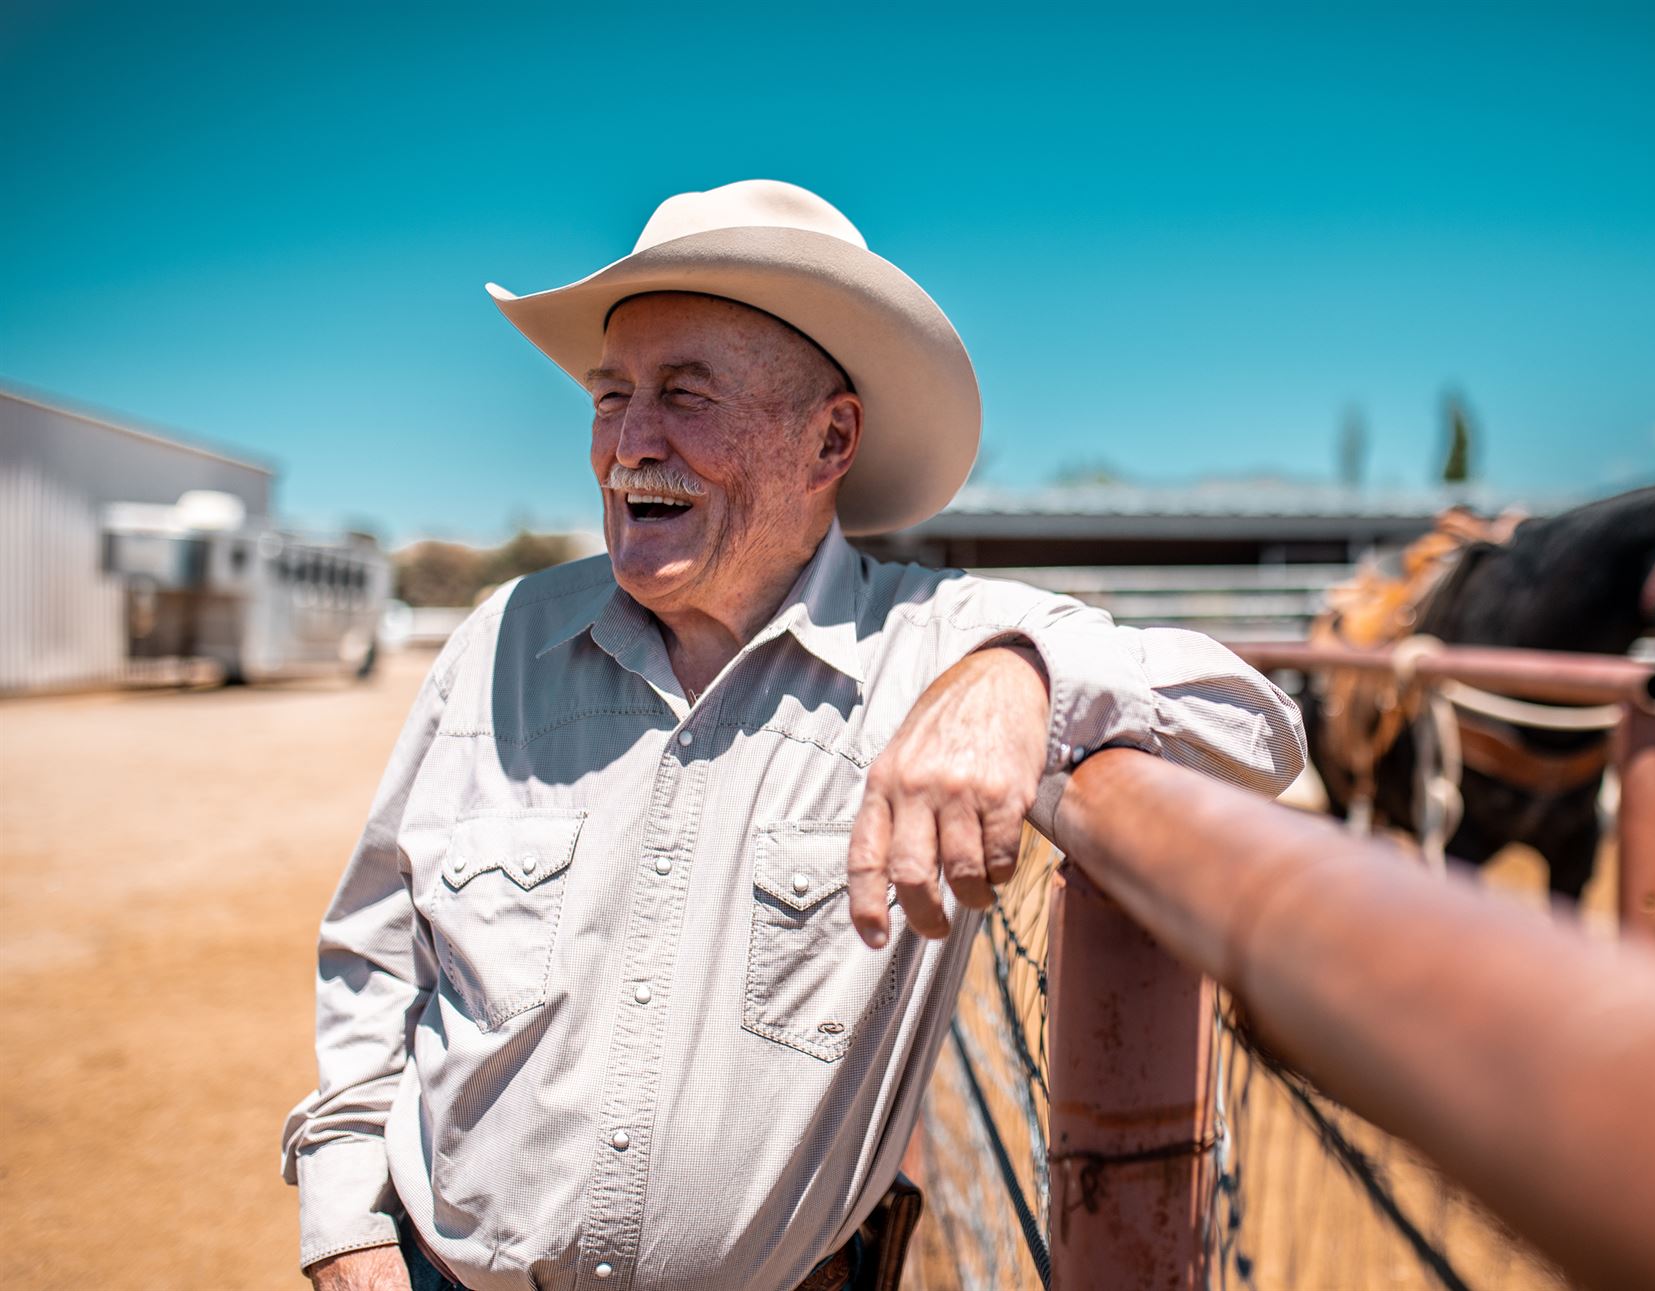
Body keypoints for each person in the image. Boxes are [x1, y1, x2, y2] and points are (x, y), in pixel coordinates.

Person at [282, 179, 1307, 1291]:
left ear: (829, 440)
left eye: (683, 393)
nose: (629, 442)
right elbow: (380, 947)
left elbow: (1257, 723)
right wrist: (347, 1226)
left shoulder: (937, 643)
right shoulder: (502, 638)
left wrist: (1021, 676)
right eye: (609, 394)